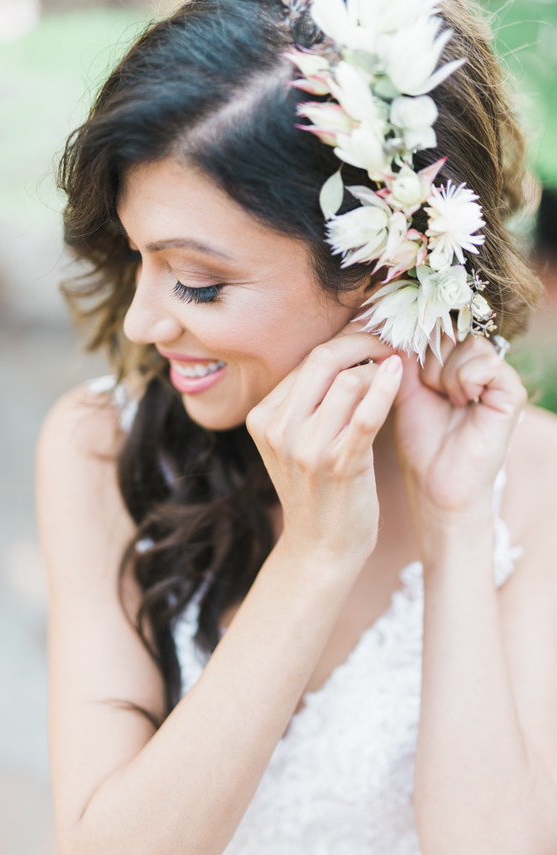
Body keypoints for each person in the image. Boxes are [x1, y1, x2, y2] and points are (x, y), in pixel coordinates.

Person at [36, 1, 557, 853]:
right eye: (141, 259)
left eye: (199, 283)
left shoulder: (536, 481)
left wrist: (456, 521)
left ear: (385, 269)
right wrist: (314, 554)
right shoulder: (99, 449)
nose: (141, 323)